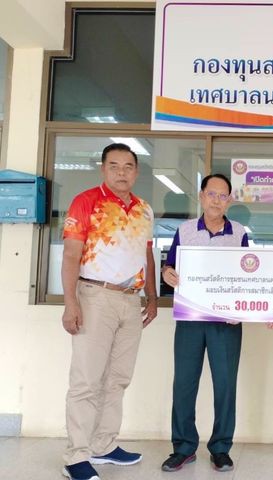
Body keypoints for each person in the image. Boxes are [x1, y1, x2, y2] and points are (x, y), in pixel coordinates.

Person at [61, 143, 158, 480]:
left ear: (136, 172)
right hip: (95, 297)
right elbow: (71, 255)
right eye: (114, 166)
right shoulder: (86, 202)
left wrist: (152, 296)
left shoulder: (144, 209)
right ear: (103, 169)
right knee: (86, 381)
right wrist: (71, 302)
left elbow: (147, 255)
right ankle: (76, 456)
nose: (121, 172)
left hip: (131, 301)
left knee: (117, 379)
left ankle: (103, 445)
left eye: (128, 166)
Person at [160, 173, 249, 473]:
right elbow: (170, 267)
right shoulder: (185, 231)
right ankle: (183, 447)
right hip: (191, 318)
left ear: (229, 201)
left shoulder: (239, 233)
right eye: (211, 194)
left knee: (225, 386)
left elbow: (249, 276)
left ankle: (221, 448)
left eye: (223, 196)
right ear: (201, 196)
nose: (216, 200)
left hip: (226, 321)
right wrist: (167, 273)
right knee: (184, 384)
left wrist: (244, 306)